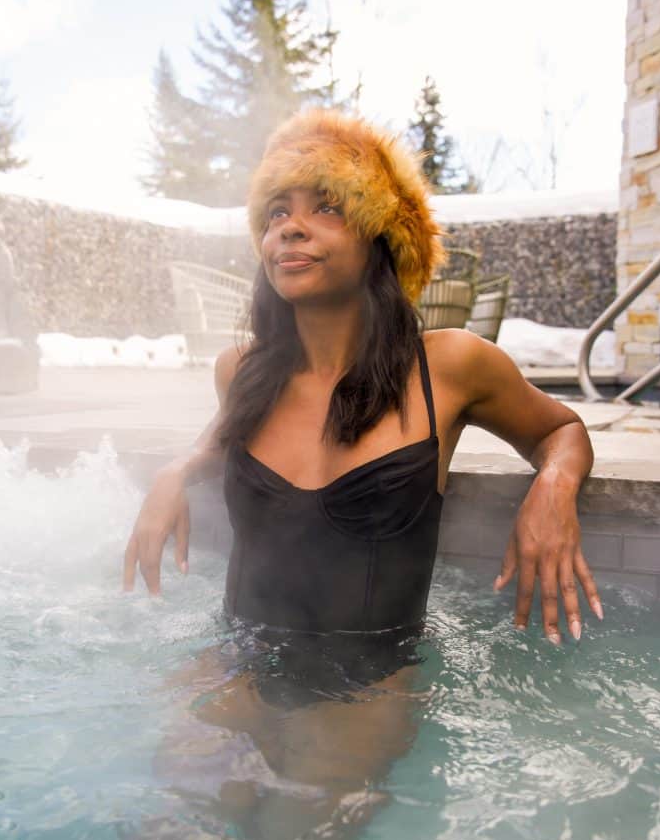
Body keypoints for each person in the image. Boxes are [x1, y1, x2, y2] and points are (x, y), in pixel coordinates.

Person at [124, 108, 603, 644]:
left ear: (381, 238)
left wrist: (554, 487)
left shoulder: (448, 367)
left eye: (326, 207)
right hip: (237, 654)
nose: (290, 227)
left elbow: (559, 430)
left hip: (370, 679)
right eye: (277, 212)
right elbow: (222, 438)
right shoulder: (243, 371)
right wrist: (177, 472)